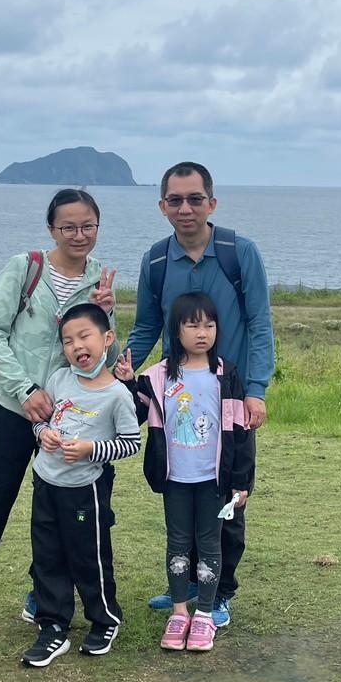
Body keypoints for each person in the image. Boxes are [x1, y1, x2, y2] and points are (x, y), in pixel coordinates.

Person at [0, 189, 116, 650]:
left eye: (88, 226)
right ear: (51, 229)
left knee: (59, 509)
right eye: (68, 227)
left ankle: (43, 593)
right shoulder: (25, 268)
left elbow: (100, 353)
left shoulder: (99, 279)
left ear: (98, 227)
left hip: (68, 417)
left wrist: (106, 313)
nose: (79, 235)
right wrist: (25, 390)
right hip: (12, 407)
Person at [127, 162, 274, 629]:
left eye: (195, 199)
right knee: (183, 491)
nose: (185, 208)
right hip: (177, 402)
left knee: (227, 496)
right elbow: (147, 327)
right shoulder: (155, 261)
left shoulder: (239, 253)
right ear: (162, 207)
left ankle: (221, 591)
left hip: (230, 400)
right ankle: (188, 583)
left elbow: (260, 324)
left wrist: (255, 391)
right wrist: (113, 371)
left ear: (211, 202)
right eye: (175, 200)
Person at [117, 292, 254, 653]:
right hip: (174, 479)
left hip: (214, 480)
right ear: (176, 331)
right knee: (178, 543)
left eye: (209, 325)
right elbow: (133, 414)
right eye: (192, 325)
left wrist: (241, 482)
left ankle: (205, 614)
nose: (202, 333)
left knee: (210, 544)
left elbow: (241, 433)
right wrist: (128, 383)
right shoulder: (157, 376)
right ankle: (179, 613)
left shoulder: (226, 375)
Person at [22, 303, 141, 667]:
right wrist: (43, 433)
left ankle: (105, 619)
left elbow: (131, 443)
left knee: (88, 557)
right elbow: (40, 422)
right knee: (47, 556)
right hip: (46, 483)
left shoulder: (117, 395)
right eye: (68, 340)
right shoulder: (59, 379)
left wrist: (91, 449)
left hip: (84, 490)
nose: (76, 346)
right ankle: (53, 626)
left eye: (84, 336)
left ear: (107, 339)